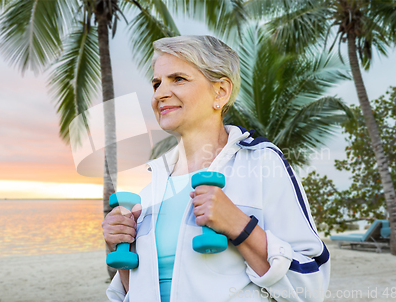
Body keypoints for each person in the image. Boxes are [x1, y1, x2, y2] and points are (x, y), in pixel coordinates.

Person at [102, 35, 330, 302]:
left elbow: (311, 286)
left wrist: (240, 227)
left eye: (178, 79)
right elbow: (137, 293)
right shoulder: (154, 185)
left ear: (220, 91)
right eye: (156, 83)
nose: (160, 93)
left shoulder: (262, 163)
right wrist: (119, 244)